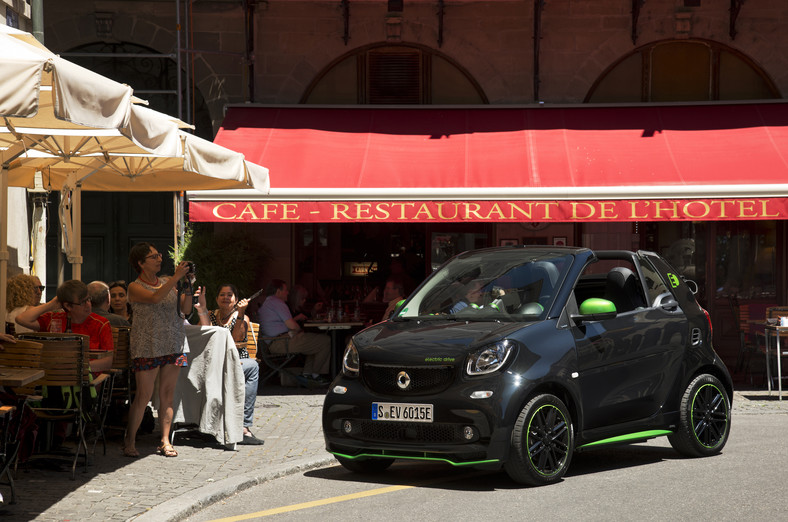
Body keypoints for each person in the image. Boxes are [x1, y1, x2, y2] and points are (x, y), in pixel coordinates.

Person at [123, 242, 197, 459]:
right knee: (143, 396)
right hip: (147, 345)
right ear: (140, 263)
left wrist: (187, 286)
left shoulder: (167, 282)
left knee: (168, 394)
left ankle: (165, 440)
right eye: (153, 257)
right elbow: (155, 297)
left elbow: (185, 309)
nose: (159, 259)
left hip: (174, 343)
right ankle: (130, 441)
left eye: (159, 255)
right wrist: (175, 278)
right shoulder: (134, 286)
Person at [195, 284, 264, 445]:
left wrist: (241, 313)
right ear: (217, 298)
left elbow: (235, 340)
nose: (226, 298)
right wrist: (202, 310)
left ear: (236, 300)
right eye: (222, 295)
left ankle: (244, 426)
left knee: (252, 367)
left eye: (230, 295)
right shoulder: (210, 315)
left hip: (237, 359)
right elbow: (202, 335)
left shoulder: (242, 317)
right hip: (213, 361)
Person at [16, 279, 114, 373]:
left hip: (86, 377)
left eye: (89, 299)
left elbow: (108, 361)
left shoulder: (100, 323)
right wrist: (51, 304)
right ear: (68, 306)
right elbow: (21, 319)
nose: (88, 305)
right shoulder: (55, 319)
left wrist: (75, 368)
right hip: (54, 377)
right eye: (83, 302)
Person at [259, 279, 331, 386]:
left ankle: (308, 374)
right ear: (278, 291)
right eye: (286, 290)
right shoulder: (277, 302)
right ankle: (315, 375)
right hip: (282, 342)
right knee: (325, 341)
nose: (288, 292)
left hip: (275, 342)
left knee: (313, 341)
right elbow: (292, 325)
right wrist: (300, 331)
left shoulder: (268, 302)